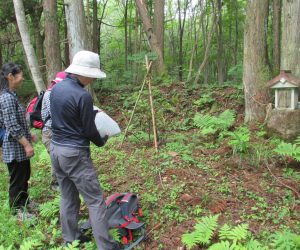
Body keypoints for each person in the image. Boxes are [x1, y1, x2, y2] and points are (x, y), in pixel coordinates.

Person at [50, 50, 120, 249]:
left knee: (67, 195)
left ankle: (70, 238)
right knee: (95, 200)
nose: (92, 79)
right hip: (74, 154)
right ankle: (106, 246)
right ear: (83, 72)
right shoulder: (83, 96)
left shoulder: (56, 89)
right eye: (92, 75)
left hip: (56, 149)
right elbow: (90, 130)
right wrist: (102, 140)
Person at [0, 63, 37, 220]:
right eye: (20, 75)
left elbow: (18, 121)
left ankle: (25, 202)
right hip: (14, 146)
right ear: (11, 76)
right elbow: (12, 125)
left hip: (19, 144)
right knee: (17, 178)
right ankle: (16, 211)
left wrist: (29, 135)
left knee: (24, 174)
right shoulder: (6, 97)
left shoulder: (11, 95)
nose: (22, 78)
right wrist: (27, 144)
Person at [41, 71, 67, 191]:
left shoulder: (55, 93)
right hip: (50, 132)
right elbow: (55, 114)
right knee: (55, 157)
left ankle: (61, 181)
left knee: (59, 156)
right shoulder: (50, 94)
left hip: (55, 131)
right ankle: (55, 183)